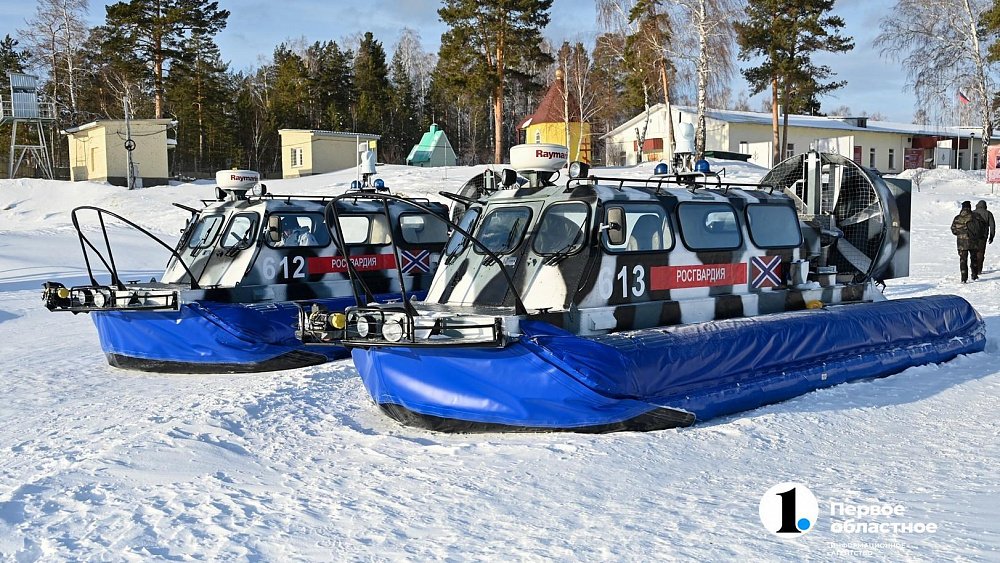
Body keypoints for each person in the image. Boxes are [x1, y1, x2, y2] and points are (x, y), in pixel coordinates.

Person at [951, 201, 983, 283]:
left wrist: (961, 235)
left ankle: (964, 278)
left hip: (961, 243)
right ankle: (974, 275)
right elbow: (981, 228)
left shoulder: (957, 218)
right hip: (973, 242)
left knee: (963, 260)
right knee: (974, 259)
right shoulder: (975, 216)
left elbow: (953, 230)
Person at [973, 200, 996, 277]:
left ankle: (973, 269)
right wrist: (991, 236)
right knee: (980, 253)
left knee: (973, 252)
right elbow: (992, 225)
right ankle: (979, 270)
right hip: (983, 237)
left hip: (973, 236)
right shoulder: (988, 213)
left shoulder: (973, 213)